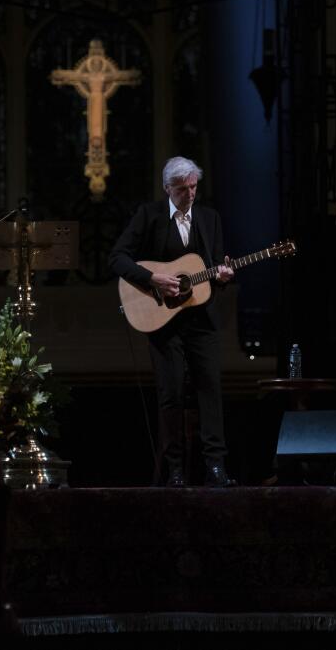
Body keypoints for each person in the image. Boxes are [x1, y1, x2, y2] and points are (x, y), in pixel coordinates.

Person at [109, 156, 236, 487]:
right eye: (182, 189)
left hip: (202, 321)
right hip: (164, 323)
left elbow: (213, 270)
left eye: (194, 187)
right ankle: (175, 469)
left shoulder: (210, 219)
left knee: (211, 391)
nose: (190, 194)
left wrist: (223, 276)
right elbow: (118, 257)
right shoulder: (148, 216)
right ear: (168, 188)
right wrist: (153, 278)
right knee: (171, 395)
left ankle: (216, 467)